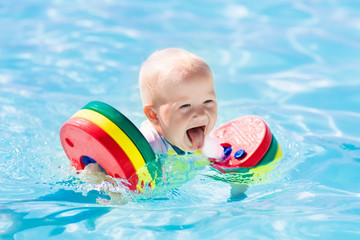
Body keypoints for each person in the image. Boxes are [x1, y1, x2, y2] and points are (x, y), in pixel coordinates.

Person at [138, 48, 224, 159]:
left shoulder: (209, 145)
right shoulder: (148, 144)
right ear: (154, 115)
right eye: (185, 106)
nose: (201, 114)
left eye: (208, 101)